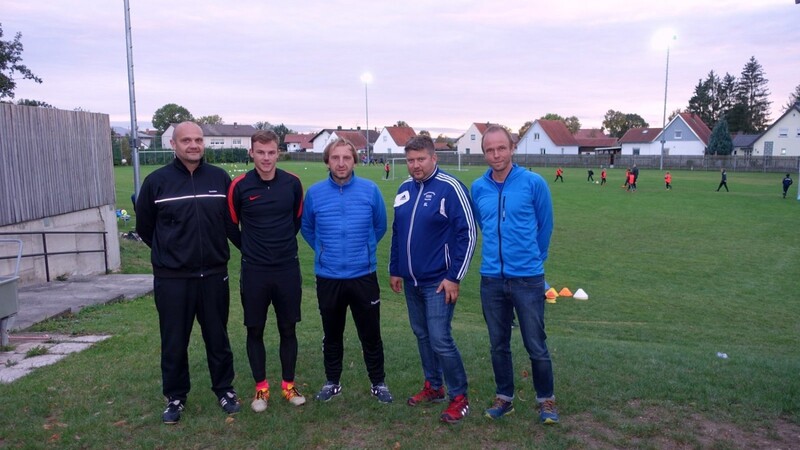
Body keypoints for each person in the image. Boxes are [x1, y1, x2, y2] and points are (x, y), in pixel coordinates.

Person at [135, 121, 241, 424]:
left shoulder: (219, 179)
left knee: (217, 337)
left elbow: (230, 225)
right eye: (186, 141)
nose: (193, 145)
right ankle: (176, 397)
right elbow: (145, 228)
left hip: (214, 275)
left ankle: (225, 390)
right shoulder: (157, 182)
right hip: (173, 279)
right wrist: (170, 254)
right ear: (174, 144)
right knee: (174, 340)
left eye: (198, 140)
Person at [470, 125, 559, 425]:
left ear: (512, 148)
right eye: (489, 150)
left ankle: (546, 400)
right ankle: (504, 398)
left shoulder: (534, 183)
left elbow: (545, 227)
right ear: (484, 152)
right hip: (491, 279)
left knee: (536, 344)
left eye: (501, 148)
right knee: (498, 344)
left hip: (528, 279)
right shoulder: (478, 187)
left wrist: (534, 260)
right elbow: (483, 224)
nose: (496, 154)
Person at [389, 135, 476, 424]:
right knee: (423, 335)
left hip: (439, 281)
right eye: (410, 160)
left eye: (420, 159)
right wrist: (395, 268)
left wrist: (455, 277)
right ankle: (434, 386)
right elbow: (398, 232)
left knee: (440, 338)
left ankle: (459, 396)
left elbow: (469, 233)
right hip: (412, 281)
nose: (415, 165)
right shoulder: (403, 189)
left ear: (434, 157)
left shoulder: (450, 188)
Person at [301, 138, 394, 404]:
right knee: (332, 334)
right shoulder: (316, 193)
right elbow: (308, 228)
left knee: (371, 334)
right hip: (328, 277)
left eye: (346, 158)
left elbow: (380, 226)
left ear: (355, 160)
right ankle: (332, 382)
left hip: (363, 276)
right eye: (335, 158)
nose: (341, 163)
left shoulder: (370, 190)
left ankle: (378, 382)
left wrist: (361, 251)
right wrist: (324, 251)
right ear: (327, 161)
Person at [227, 130, 306, 412]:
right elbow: (230, 225)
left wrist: (280, 247)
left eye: (271, 152)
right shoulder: (240, 186)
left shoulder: (293, 184)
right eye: (260, 152)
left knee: (288, 328)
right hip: (254, 271)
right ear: (251, 153)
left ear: (278, 152)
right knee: (255, 329)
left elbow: (297, 220)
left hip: (286, 268)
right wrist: (251, 249)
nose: (266, 158)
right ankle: (261, 388)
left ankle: (288, 385)